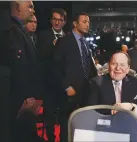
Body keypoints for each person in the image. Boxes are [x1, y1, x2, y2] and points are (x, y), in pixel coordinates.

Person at [0, 1, 44, 142]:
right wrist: (28, 95)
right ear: (18, 7)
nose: (33, 10)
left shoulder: (17, 30)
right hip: (18, 100)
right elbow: (19, 67)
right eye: (30, 6)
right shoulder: (11, 31)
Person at [53, 12, 97, 142]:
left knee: (81, 127)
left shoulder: (85, 43)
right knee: (66, 127)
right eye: (84, 22)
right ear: (75, 23)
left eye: (88, 22)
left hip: (85, 91)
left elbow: (89, 66)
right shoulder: (64, 41)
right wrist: (66, 86)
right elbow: (55, 67)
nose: (87, 24)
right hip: (69, 92)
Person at [37, 8, 67, 142]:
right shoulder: (43, 35)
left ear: (64, 22)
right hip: (48, 84)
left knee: (64, 117)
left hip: (64, 85)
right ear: (50, 20)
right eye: (55, 19)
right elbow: (40, 57)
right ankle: (49, 139)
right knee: (49, 116)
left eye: (60, 20)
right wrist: (53, 47)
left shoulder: (68, 37)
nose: (57, 22)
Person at [88, 52, 137, 117]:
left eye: (122, 65)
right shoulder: (96, 83)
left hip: (130, 124)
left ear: (128, 69)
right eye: (114, 64)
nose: (118, 68)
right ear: (108, 66)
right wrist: (111, 111)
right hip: (105, 123)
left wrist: (132, 107)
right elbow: (90, 110)